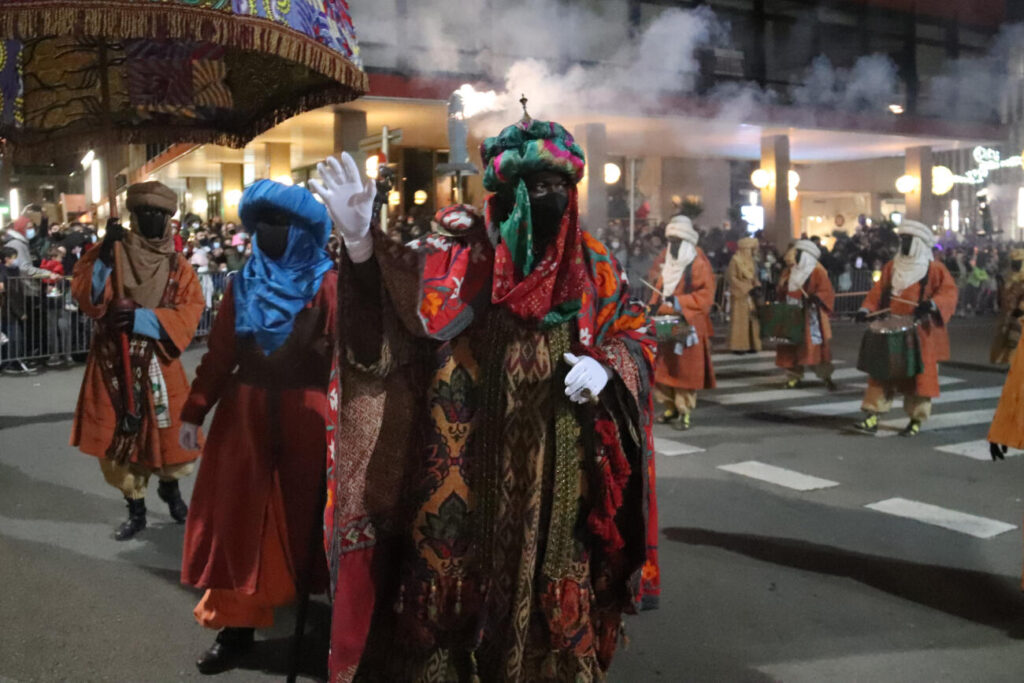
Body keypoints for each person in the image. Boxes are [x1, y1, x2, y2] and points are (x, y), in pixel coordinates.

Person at [312, 115, 655, 681]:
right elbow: (392, 320)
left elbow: (634, 331)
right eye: (535, 187)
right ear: (505, 193)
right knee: (450, 602)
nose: (549, 200)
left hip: (557, 474)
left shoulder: (591, 263)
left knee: (553, 594)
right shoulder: (457, 253)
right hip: (463, 469)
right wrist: (360, 243)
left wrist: (608, 367)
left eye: (559, 188)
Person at [179, 180, 337, 674]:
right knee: (239, 522)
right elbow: (221, 355)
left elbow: (351, 358)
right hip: (243, 419)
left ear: (301, 230)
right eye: (261, 223)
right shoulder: (241, 284)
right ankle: (236, 628)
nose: (267, 232)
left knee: (317, 521)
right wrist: (194, 409)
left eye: (279, 223)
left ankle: (335, 628)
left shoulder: (329, 284)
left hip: (310, 418)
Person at [69, 182, 205, 539]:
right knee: (119, 440)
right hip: (113, 362)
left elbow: (191, 310)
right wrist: (102, 260)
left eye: (158, 213)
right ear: (132, 215)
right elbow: (87, 297)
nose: (150, 218)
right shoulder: (110, 252)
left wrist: (145, 320)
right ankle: (136, 508)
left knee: (169, 436)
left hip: (159, 361)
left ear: (169, 218)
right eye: (143, 212)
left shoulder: (179, 266)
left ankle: (171, 490)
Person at [851, 220, 958, 437]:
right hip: (892, 325)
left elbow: (949, 293)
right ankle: (872, 415)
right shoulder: (892, 266)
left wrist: (933, 304)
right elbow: (878, 291)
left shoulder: (934, 269)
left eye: (908, 240)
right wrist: (865, 309)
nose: (904, 243)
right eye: (903, 240)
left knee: (919, 377)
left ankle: (916, 419)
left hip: (921, 332)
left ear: (918, 243)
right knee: (881, 372)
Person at [647, 215, 716, 431]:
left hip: (688, 322)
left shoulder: (698, 264)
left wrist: (678, 301)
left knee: (684, 369)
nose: (673, 246)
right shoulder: (668, 263)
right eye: (671, 242)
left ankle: (684, 410)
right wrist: (651, 306)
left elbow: (705, 296)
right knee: (664, 366)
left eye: (677, 242)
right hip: (666, 321)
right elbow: (659, 286)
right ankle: (670, 407)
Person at [774, 239, 837, 389]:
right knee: (791, 347)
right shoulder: (790, 271)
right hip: (792, 312)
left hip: (811, 315)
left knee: (815, 346)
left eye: (798, 252)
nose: (794, 255)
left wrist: (817, 297)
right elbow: (782, 289)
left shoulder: (817, 271)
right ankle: (793, 376)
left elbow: (826, 290)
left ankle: (825, 375)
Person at [727, 236, 761, 353]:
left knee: (752, 319)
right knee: (740, 321)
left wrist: (757, 286)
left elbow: (754, 276)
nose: (752, 252)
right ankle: (739, 346)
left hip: (750, 294)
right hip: (740, 295)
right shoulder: (735, 260)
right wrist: (746, 288)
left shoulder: (751, 261)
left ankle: (752, 344)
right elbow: (732, 278)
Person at [990, 248, 1024, 364]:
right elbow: (1002, 295)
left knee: (1014, 341)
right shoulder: (1007, 277)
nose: (1015, 264)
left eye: (1018, 262)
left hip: (1019, 316)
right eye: (1014, 262)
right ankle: (999, 362)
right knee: (1001, 338)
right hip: (1005, 314)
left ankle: (1011, 363)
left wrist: (1020, 309)